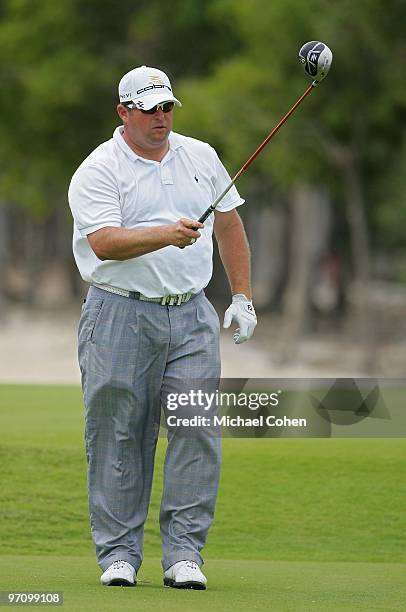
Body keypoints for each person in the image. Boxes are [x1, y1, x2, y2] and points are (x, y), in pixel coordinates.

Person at [68, 65, 257, 590]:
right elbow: (105, 243)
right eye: (149, 109)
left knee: (196, 428)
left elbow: (231, 223)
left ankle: (184, 553)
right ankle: (120, 554)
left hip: (192, 315)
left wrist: (242, 295)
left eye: (167, 107)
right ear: (123, 112)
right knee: (120, 433)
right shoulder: (99, 169)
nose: (161, 117)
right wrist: (165, 235)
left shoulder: (200, 155)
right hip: (120, 314)